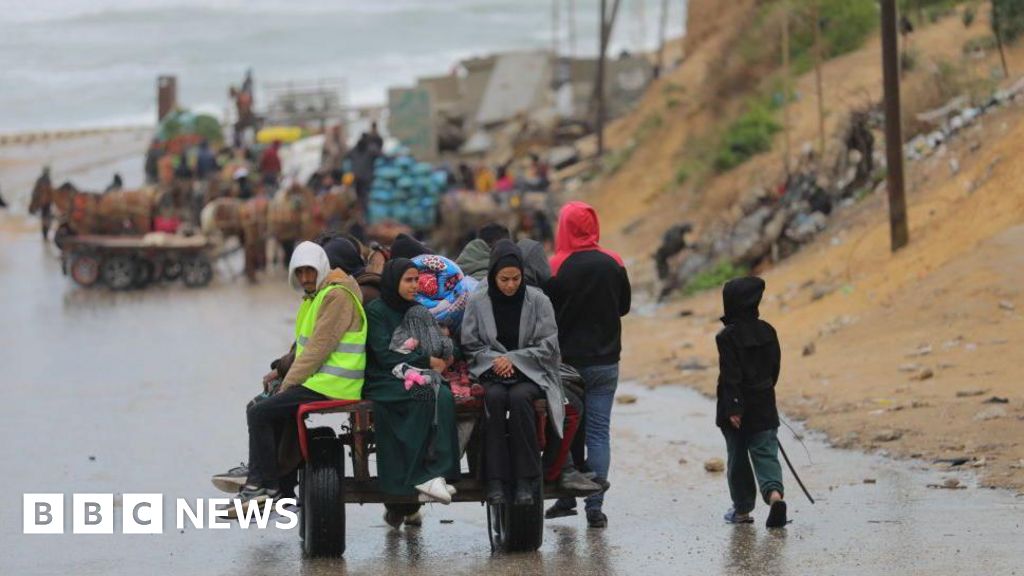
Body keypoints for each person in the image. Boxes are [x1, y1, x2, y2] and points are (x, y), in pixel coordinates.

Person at [236, 241, 368, 507]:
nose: (306, 278)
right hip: (321, 380)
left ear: (321, 268)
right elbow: (303, 346)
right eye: (300, 272)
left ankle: (263, 485)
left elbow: (317, 350)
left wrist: (290, 383)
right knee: (261, 405)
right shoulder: (315, 296)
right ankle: (277, 485)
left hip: (335, 384)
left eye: (310, 271)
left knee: (260, 412)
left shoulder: (336, 296)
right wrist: (281, 374)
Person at [544, 201, 631, 528]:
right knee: (598, 431)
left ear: (563, 227)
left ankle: (566, 496)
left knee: (568, 428)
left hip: (567, 365)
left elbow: (546, 314)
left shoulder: (556, 266)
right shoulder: (614, 262)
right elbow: (623, 307)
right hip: (607, 361)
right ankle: (594, 506)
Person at [462, 240, 565, 505]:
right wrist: (496, 361)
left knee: (521, 401)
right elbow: (471, 344)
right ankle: (495, 481)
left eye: (515, 278)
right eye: (504, 279)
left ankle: (526, 481)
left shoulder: (539, 301)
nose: (510, 285)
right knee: (493, 400)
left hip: (530, 374)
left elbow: (549, 345)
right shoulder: (477, 301)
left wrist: (514, 360)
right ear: (493, 275)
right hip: (491, 372)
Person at [364, 259, 460, 514]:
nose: (415, 285)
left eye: (417, 280)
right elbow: (385, 355)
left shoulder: (418, 310)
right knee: (424, 395)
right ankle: (419, 475)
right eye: (409, 280)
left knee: (445, 396)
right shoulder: (376, 311)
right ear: (394, 281)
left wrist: (447, 354)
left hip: (417, 374)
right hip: (385, 378)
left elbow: (436, 341)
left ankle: (440, 473)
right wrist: (426, 359)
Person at [716, 276, 787, 529]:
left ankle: (742, 511)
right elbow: (774, 369)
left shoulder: (727, 336)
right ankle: (775, 496)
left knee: (738, 458)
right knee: (766, 453)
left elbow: (730, 374)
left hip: (736, 407)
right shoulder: (768, 330)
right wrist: (765, 394)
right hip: (765, 402)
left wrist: (734, 407)